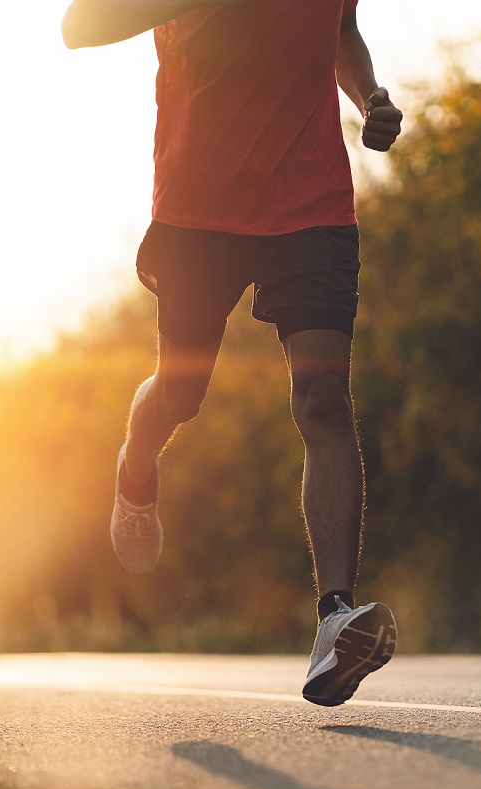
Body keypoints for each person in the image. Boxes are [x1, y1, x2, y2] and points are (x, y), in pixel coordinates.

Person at [61, 0, 403, 706]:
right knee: (182, 395)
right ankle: (136, 465)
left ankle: (335, 616)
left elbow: (339, 27)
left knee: (324, 399)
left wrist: (369, 94)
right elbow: (78, 27)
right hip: (199, 211)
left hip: (311, 205)